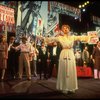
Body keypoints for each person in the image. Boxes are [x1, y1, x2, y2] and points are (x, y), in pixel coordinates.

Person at [40, 24, 93, 94]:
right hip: (64, 53)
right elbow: (52, 39)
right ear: (62, 30)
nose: (65, 29)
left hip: (70, 53)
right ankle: (64, 87)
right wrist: (43, 39)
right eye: (63, 28)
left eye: (66, 28)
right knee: (64, 70)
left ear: (69, 29)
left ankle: (71, 87)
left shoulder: (73, 37)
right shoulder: (60, 38)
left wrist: (90, 37)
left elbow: (81, 37)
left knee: (71, 70)